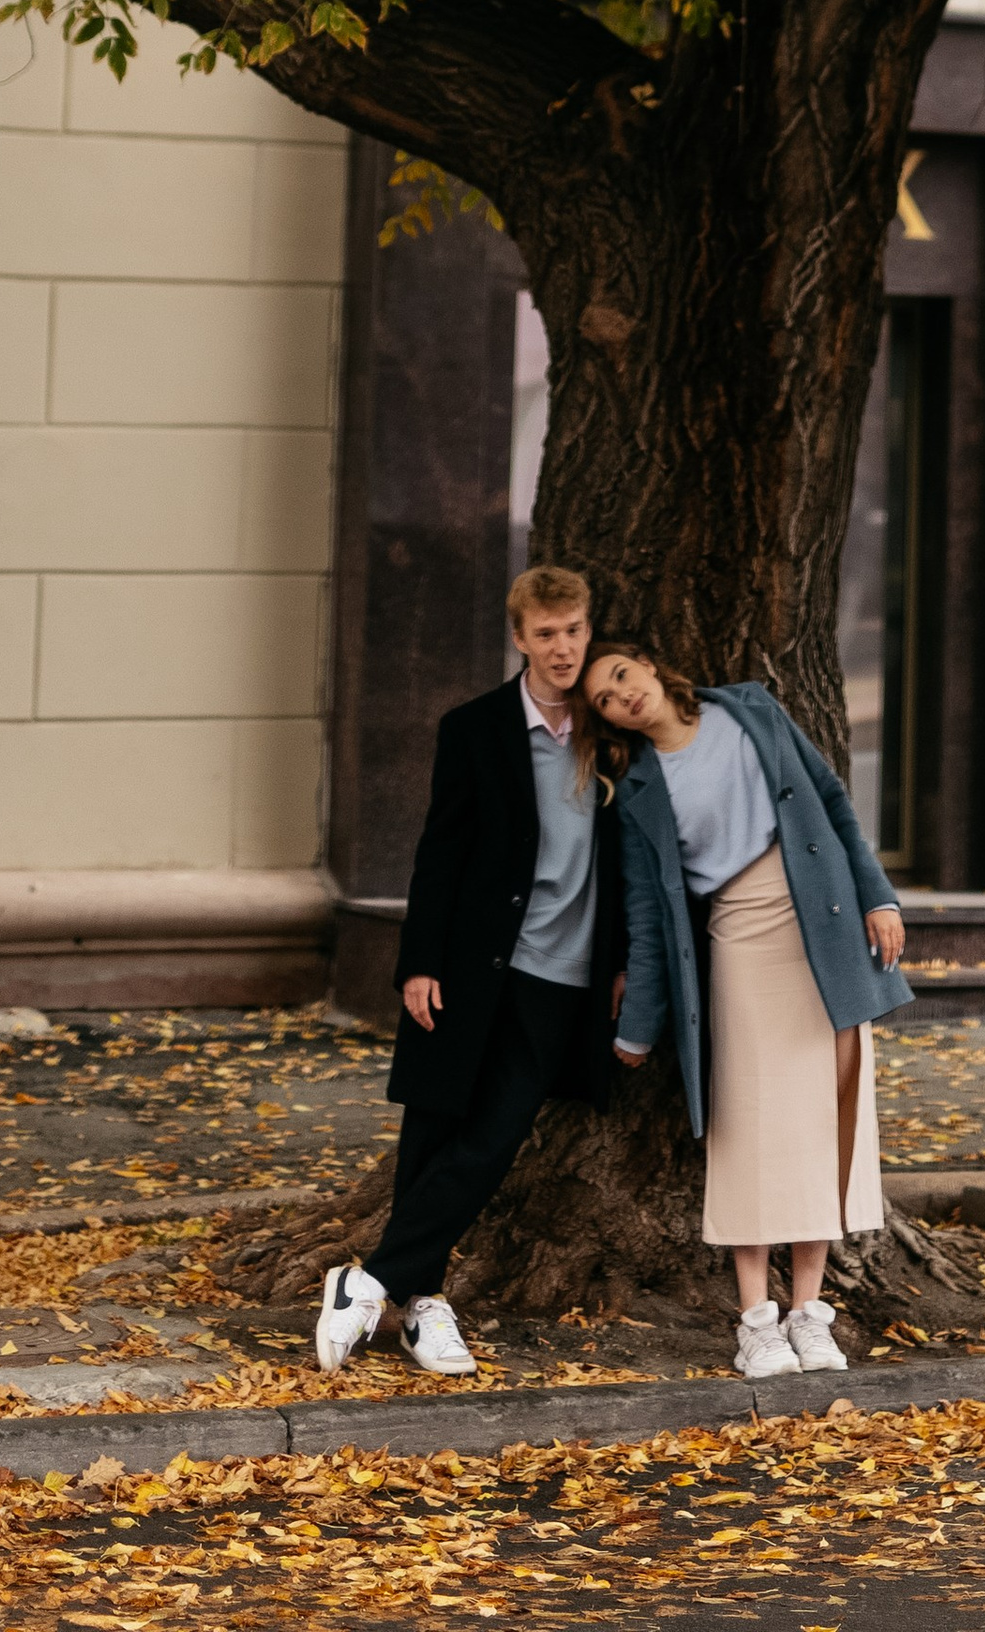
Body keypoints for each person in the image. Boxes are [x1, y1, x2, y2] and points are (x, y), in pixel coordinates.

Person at [315, 564, 623, 1377]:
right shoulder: (476, 727)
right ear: (520, 639)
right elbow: (440, 853)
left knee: (494, 1139)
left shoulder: (611, 728)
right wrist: (417, 964)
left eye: (575, 631)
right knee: (435, 1127)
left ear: (590, 631)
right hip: (473, 968)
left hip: (566, 978)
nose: (563, 649)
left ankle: (366, 1280)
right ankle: (424, 1305)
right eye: (547, 634)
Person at [586, 636, 908, 1379]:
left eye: (623, 675)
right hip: (740, 940)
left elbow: (830, 798)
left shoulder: (750, 709)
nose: (623, 695)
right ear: (611, 723)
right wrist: (637, 1029)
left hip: (823, 927)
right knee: (751, 1128)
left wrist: (878, 896)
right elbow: (647, 916)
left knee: (827, 1120)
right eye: (605, 698)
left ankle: (810, 1315)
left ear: (651, 666)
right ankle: (756, 1322)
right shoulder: (637, 788)